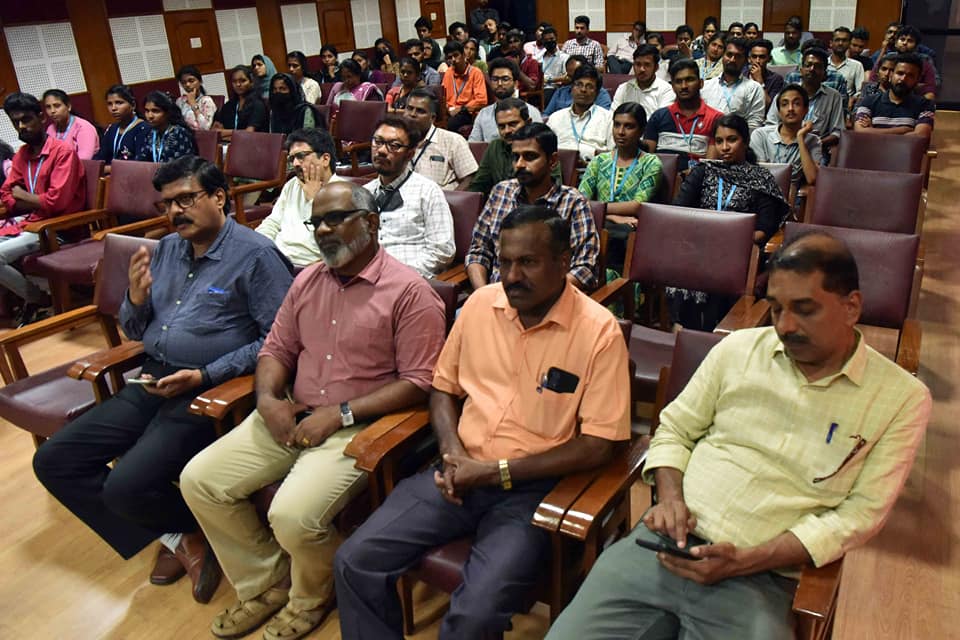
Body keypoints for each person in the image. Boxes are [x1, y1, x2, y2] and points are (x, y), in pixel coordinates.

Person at [546, 231, 932, 640]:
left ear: (851, 306)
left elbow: (859, 514)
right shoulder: (738, 350)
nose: (785, 325)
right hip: (663, 547)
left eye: (804, 310)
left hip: (761, 579)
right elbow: (675, 428)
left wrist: (747, 560)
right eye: (777, 308)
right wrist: (671, 499)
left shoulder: (900, 399)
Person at [335, 203, 630, 639]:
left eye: (527, 262)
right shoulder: (479, 306)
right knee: (354, 561)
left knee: (473, 617)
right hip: (456, 471)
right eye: (505, 261)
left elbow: (599, 444)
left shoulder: (598, 332)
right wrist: (453, 454)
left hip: (530, 491)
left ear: (564, 263)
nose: (511, 276)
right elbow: (442, 388)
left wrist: (495, 472)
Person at [181, 179, 446, 640]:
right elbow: (276, 349)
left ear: (371, 223)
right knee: (200, 480)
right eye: (316, 221)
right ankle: (266, 583)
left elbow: (420, 382)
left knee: (292, 515)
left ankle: (311, 596)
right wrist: (266, 400)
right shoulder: (307, 280)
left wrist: (341, 413)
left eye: (334, 219)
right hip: (289, 413)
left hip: (356, 426)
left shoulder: (410, 292)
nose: (323, 230)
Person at [32, 156, 294, 604]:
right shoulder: (167, 248)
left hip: (209, 391)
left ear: (219, 198)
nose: (175, 212)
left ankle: (183, 529)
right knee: (55, 461)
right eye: (167, 203)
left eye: (186, 199)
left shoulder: (256, 256)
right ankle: (183, 534)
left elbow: (280, 342)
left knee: (125, 485)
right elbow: (136, 331)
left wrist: (207, 373)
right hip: (150, 378)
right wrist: (134, 299)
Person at [670, 114, 789, 329]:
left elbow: (765, 228)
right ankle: (683, 331)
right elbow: (678, 212)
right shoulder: (704, 171)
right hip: (698, 247)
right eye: (719, 141)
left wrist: (729, 242)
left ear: (745, 141)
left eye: (732, 140)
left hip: (740, 252)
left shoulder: (761, 179)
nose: (725, 147)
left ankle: (716, 333)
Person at [466, 123, 599, 291]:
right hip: (497, 297)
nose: (520, 164)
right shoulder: (501, 192)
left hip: (551, 300)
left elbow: (585, 268)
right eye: (516, 157)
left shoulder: (573, 202)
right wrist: (483, 294)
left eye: (530, 156)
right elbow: (478, 252)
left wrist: (539, 297)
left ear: (552, 161)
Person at [0, 92, 84, 324]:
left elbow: (57, 203)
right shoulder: (22, 155)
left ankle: (38, 300)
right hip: (33, 223)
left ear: (41, 117)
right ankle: (32, 300)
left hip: (58, 229)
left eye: (26, 119)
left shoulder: (62, 152)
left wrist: (24, 197)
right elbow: (7, 193)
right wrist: (31, 199)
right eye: (15, 122)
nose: (21, 126)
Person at [363, 116, 455, 277]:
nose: (382, 150)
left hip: (408, 280)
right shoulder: (364, 193)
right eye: (377, 141)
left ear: (410, 154)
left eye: (394, 145)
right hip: (366, 278)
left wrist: (396, 274)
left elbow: (443, 251)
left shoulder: (428, 191)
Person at [579, 102, 662, 269]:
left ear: (641, 130)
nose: (621, 132)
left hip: (630, 234)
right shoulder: (599, 161)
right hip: (600, 224)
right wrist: (611, 216)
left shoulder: (651, 163)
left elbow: (637, 205)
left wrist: (602, 210)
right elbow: (581, 201)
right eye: (617, 125)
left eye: (629, 126)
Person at [256, 128, 347, 268]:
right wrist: (258, 245)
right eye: (292, 158)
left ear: (325, 159)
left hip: (312, 270)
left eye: (301, 156)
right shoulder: (292, 185)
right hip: (277, 262)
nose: (296, 164)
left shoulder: (344, 192)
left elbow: (334, 246)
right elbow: (272, 223)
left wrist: (314, 200)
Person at [643, 59, 724, 170]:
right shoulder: (659, 117)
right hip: (660, 179)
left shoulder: (716, 119)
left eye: (689, 80)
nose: (684, 86)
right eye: (678, 81)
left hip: (697, 182)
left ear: (701, 83)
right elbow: (645, 161)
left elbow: (710, 166)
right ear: (672, 86)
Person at [469, 98, 561, 194]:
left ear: (528, 122)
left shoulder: (542, 145)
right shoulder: (495, 147)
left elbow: (554, 188)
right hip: (502, 203)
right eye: (502, 127)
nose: (507, 131)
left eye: (513, 124)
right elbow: (478, 186)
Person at [766, 48, 844, 153]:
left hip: (815, 149)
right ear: (801, 70)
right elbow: (770, 125)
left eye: (817, 66)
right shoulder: (784, 95)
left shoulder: (834, 97)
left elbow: (837, 133)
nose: (812, 69)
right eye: (808, 65)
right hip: (781, 146)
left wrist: (814, 143)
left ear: (824, 73)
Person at [403, 89, 477, 190]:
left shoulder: (453, 141)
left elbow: (470, 178)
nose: (412, 114)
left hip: (440, 201)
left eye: (420, 111)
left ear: (432, 118)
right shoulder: (396, 140)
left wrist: (449, 201)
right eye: (409, 108)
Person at [751, 84, 821, 187]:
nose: (790, 109)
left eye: (796, 104)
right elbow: (758, 176)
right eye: (784, 104)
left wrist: (800, 138)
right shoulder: (760, 135)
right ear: (778, 111)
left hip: (793, 198)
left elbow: (812, 179)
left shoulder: (813, 141)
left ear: (806, 110)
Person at [855, 53, 935, 139]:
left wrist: (872, 130)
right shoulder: (869, 101)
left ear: (917, 79)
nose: (903, 79)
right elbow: (860, 132)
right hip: (873, 151)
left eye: (910, 76)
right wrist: (903, 130)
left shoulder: (925, 105)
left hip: (905, 152)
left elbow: (921, 136)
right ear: (891, 74)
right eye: (900, 73)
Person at [547, 64, 614, 163]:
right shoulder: (555, 118)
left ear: (597, 93)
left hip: (594, 168)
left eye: (589, 86)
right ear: (572, 88)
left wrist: (591, 154)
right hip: (558, 168)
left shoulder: (608, 118)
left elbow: (614, 153)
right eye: (579, 84)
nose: (583, 90)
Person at [469, 58, 543, 142]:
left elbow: (539, 145)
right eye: (495, 79)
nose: (499, 83)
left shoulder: (531, 111)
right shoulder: (483, 114)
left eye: (505, 79)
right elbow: (474, 146)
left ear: (516, 83)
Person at [701, 38, 766, 131]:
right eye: (729, 55)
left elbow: (754, 125)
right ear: (723, 56)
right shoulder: (707, 86)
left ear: (745, 61)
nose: (732, 60)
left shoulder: (754, 88)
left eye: (738, 56)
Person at [870, 25, 937, 100]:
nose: (905, 43)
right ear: (896, 43)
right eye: (902, 39)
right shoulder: (889, 58)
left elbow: (930, 88)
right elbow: (873, 78)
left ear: (916, 46)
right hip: (886, 98)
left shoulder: (924, 61)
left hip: (913, 100)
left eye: (910, 41)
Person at [610, 45, 675, 117]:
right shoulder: (623, 88)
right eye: (638, 64)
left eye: (647, 65)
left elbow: (662, 121)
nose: (642, 69)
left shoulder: (666, 90)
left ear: (656, 67)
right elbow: (612, 117)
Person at [94, 84, 151, 166]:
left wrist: (107, 169)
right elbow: (100, 158)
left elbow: (140, 163)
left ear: (133, 105)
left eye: (119, 103)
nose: (113, 108)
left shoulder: (143, 129)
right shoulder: (112, 129)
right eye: (110, 104)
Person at [440, 40, 487, 132]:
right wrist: (446, 108)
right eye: (449, 57)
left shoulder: (475, 72)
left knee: (449, 125)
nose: (453, 59)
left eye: (456, 55)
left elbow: (482, 100)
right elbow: (443, 96)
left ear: (463, 55)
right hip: (449, 111)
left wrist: (460, 109)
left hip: (467, 112)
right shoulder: (448, 72)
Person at [136, 91, 196, 163]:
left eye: (155, 111)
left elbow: (184, 165)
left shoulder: (179, 133)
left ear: (167, 113)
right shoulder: (150, 133)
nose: (150, 116)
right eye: (147, 111)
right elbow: (141, 160)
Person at [543, 55, 613, 116]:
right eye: (570, 76)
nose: (572, 80)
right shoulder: (561, 92)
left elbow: (604, 118)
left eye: (576, 75)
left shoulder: (600, 93)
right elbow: (546, 114)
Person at [213, 65, 269, 139]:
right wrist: (239, 133)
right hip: (228, 146)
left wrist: (226, 133)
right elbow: (215, 131)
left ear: (251, 82)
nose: (238, 84)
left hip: (253, 145)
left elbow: (249, 133)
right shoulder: (228, 105)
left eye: (242, 81)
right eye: (234, 81)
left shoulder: (257, 104)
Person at [42, 89, 99, 160]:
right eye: (48, 107)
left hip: (83, 168)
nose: (52, 111)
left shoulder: (83, 128)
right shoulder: (50, 129)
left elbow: (84, 159)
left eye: (57, 106)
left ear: (68, 106)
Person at [829, 27, 865, 110]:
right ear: (831, 43)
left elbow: (861, 91)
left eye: (844, 40)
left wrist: (853, 98)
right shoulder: (822, 64)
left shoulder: (857, 65)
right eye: (837, 40)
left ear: (849, 43)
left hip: (845, 106)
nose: (840, 43)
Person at [745, 39, 785, 109]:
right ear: (749, 59)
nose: (757, 61)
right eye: (754, 57)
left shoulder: (776, 79)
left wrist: (760, 81)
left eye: (762, 57)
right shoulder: (742, 76)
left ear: (769, 59)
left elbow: (769, 106)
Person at [176, 65, 217, 131]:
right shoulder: (180, 101)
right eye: (184, 82)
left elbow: (205, 128)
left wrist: (193, 104)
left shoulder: (206, 101)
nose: (187, 85)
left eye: (191, 81)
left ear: (200, 81)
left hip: (201, 138)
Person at [541, 26, 570, 103]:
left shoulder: (564, 57)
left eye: (551, 39)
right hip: (539, 89)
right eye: (546, 40)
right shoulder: (538, 57)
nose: (549, 42)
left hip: (556, 89)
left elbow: (567, 78)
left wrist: (549, 80)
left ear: (556, 38)